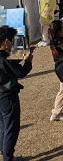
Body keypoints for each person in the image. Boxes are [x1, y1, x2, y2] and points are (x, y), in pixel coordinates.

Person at [0, 26, 33, 161]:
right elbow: (20, 72)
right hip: (7, 96)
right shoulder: (3, 59)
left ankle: (4, 151)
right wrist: (28, 62)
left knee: (2, 126)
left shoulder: (3, 57)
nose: (13, 43)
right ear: (6, 41)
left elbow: (9, 66)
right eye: (12, 40)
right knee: (10, 129)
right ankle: (8, 158)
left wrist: (21, 57)